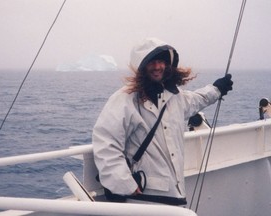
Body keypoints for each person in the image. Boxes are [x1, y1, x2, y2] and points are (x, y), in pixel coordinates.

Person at [92, 37, 233, 205]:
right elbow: (106, 141)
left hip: (176, 195)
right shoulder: (125, 99)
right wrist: (123, 183)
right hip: (144, 198)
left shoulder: (174, 96)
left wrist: (216, 89)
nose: (158, 66)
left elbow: (197, 99)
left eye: (161, 61)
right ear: (141, 66)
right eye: (152, 62)